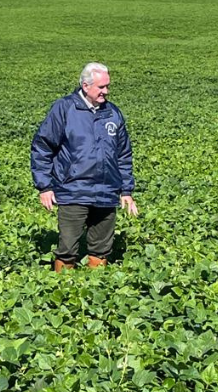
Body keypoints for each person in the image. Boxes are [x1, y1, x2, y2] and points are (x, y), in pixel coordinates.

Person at [31, 62, 138, 272]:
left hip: (106, 191)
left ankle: (94, 290)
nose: (105, 91)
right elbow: (42, 147)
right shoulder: (64, 109)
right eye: (101, 87)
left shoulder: (113, 113)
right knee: (68, 248)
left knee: (101, 248)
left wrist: (126, 190)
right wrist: (44, 186)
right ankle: (60, 291)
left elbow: (123, 154)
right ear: (85, 85)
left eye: (107, 86)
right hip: (73, 190)